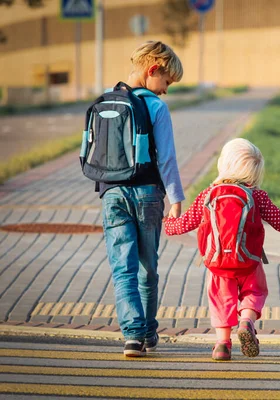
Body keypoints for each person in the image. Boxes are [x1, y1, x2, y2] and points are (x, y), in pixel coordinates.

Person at [163, 138, 280, 361]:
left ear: (225, 164)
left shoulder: (208, 194)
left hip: (218, 263)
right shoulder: (257, 196)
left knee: (222, 300)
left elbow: (185, 224)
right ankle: (246, 321)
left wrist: (167, 224)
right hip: (249, 261)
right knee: (255, 292)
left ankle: (222, 345)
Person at [100, 41, 185, 357]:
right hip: (147, 194)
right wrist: (176, 197)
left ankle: (132, 337)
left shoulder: (109, 100)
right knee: (147, 267)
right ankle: (148, 332)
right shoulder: (157, 107)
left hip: (112, 193)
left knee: (123, 266)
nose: (165, 91)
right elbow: (167, 159)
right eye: (166, 82)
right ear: (153, 70)